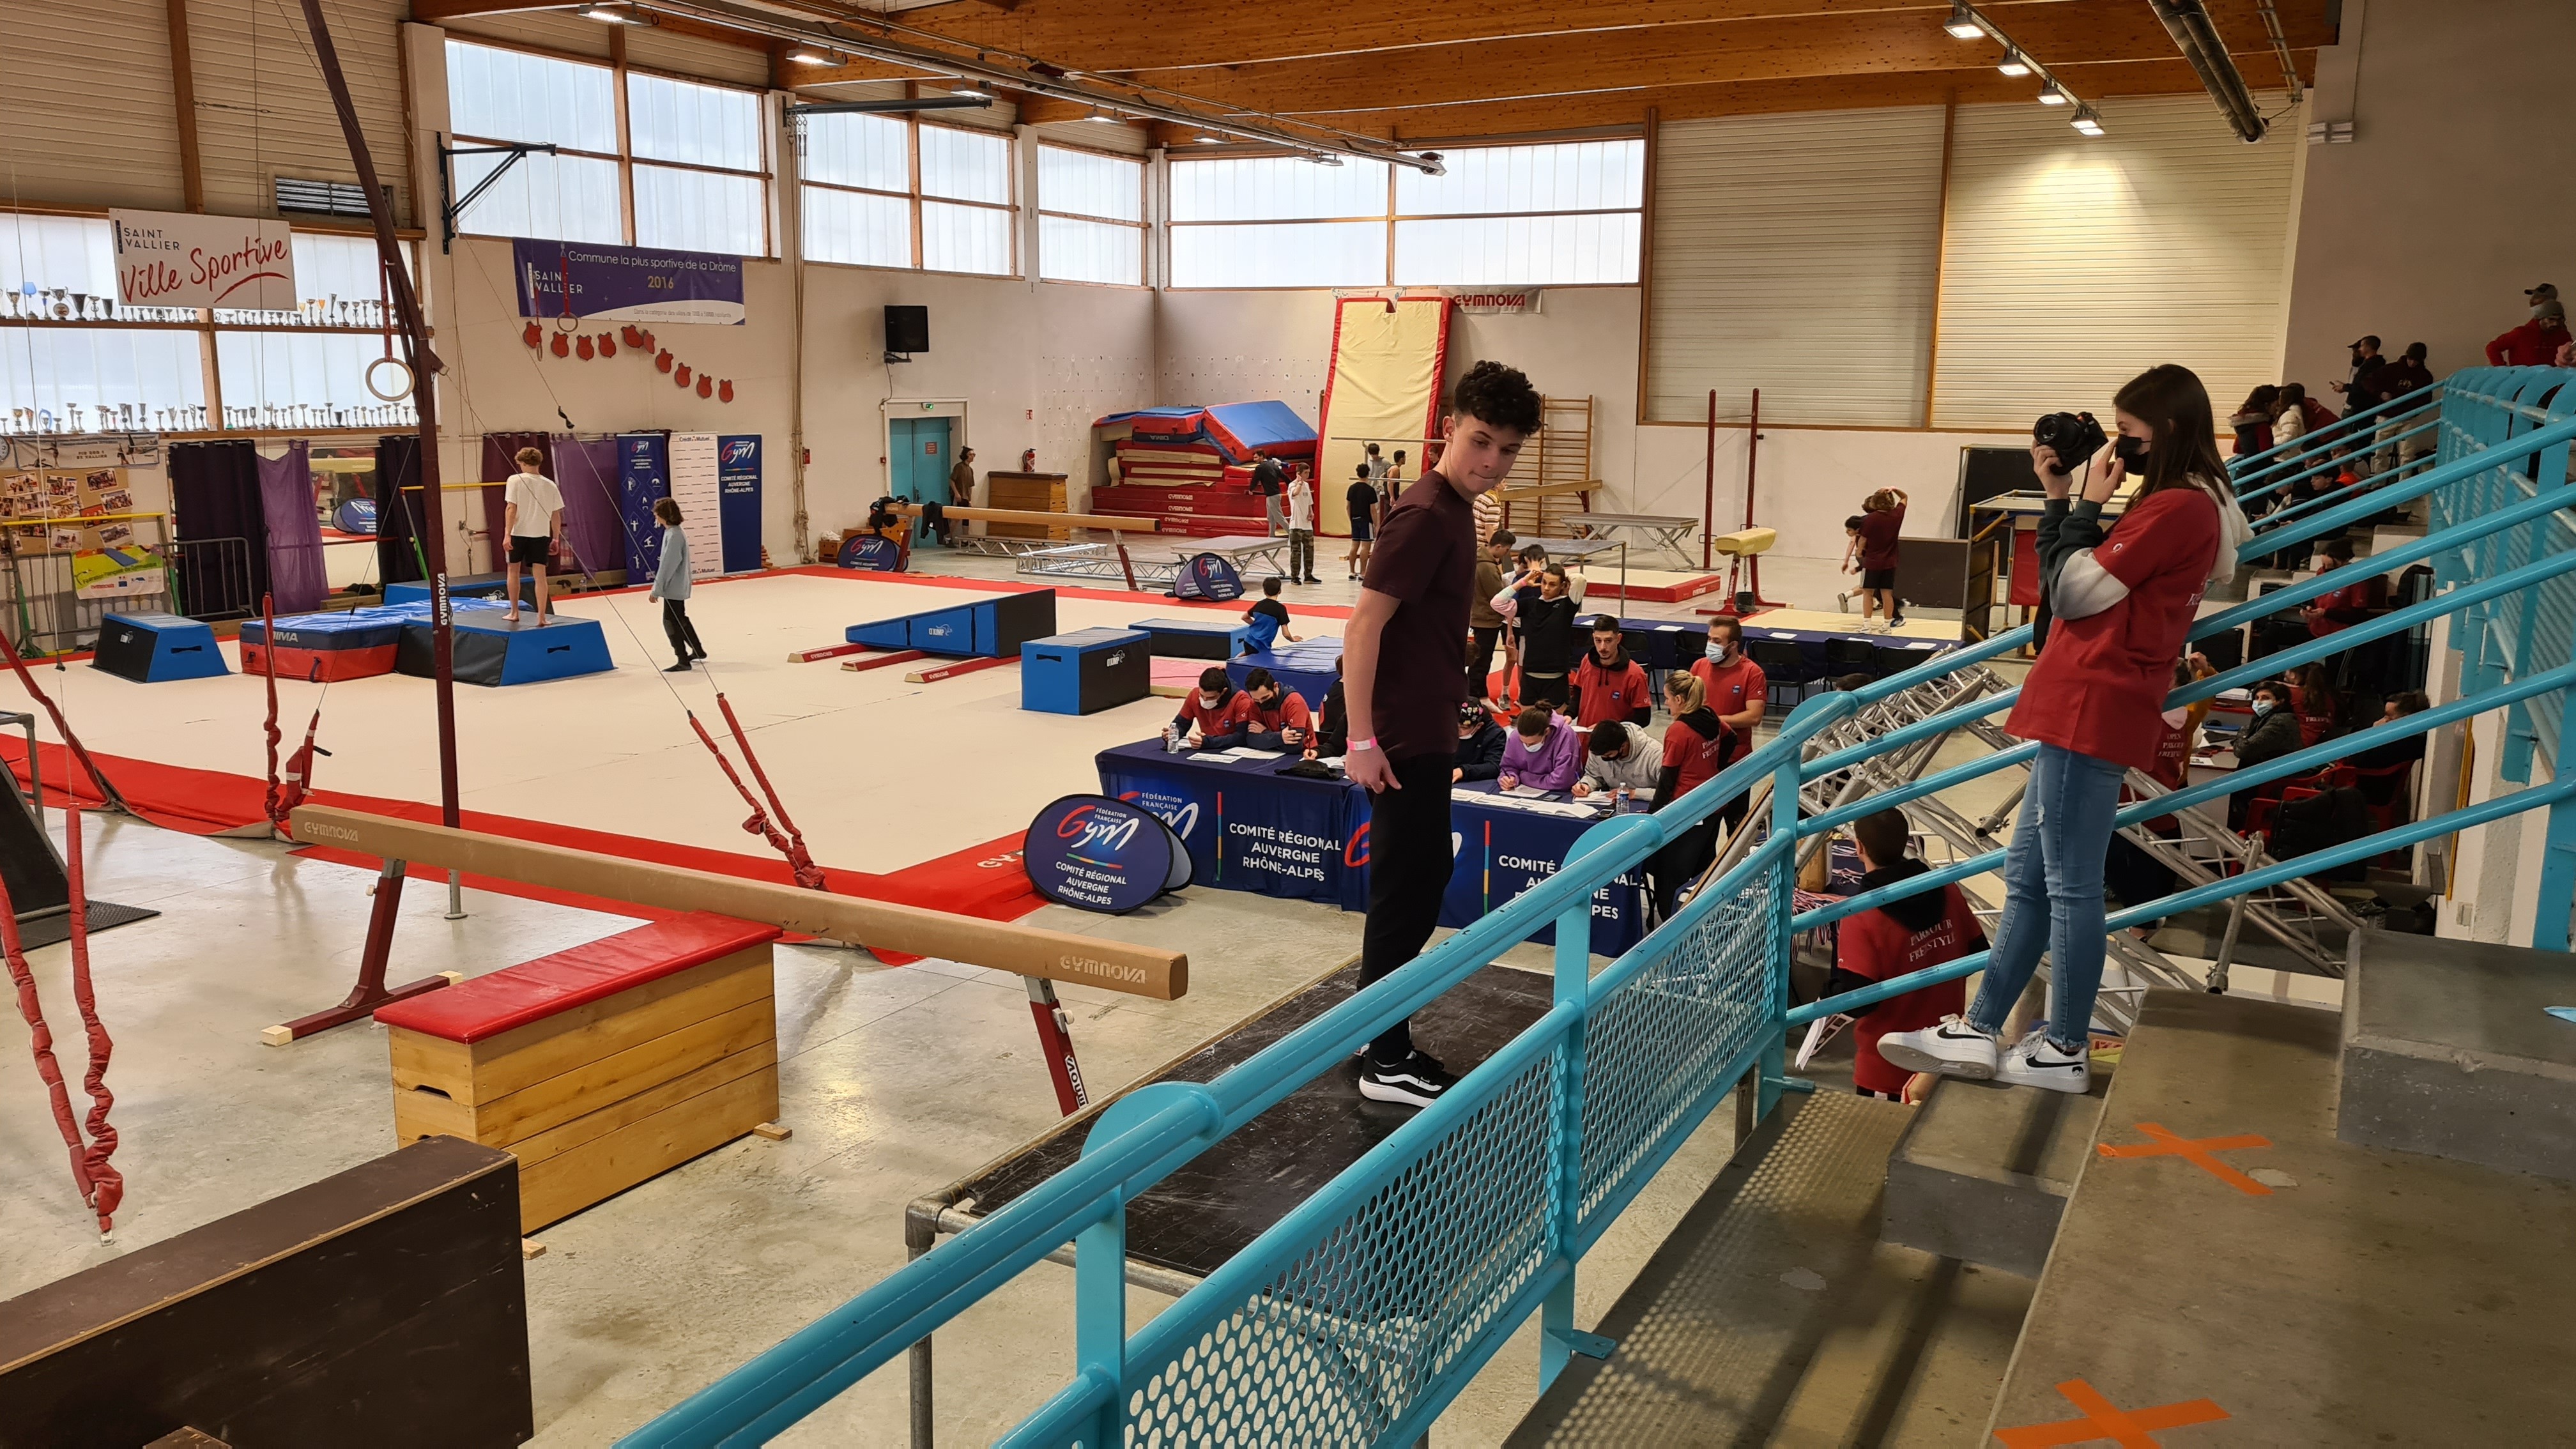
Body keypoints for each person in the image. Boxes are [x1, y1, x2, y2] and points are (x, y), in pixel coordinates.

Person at [1878, 363, 2246, 1096]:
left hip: (2094, 703)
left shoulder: (2179, 508)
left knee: (2071, 887)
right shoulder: (2192, 504)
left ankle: (2064, 1046)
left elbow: (2072, 593)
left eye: (2131, 436)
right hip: (2085, 699)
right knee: (2027, 880)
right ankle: (1982, 1028)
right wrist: (2061, 501)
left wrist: (2081, 507)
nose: (2119, 448)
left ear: (2168, 431)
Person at [1342, 360, 1542, 1107]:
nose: (1491, 462)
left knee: (1416, 886)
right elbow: (1362, 627)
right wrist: (1361, 739)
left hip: (1425, 727)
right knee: (1410, 892)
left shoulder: (1458, 510)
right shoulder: (1427, 513)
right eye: (1481, 441)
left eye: (1508, 451)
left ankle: (1372, 1034)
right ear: (1450, 429)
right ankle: (1384, 1056)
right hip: (1399, 741)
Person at [1837, 808, 1982, 1103]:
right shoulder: (1946, 888)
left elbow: (1856, 1000)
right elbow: (1978, 952)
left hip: (1885, 1065)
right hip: (1941, 1057)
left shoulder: (1862, 915)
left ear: (1859, 848)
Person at [1647, 670, 1733, 920]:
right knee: (1703, 867)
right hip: (1713, 806)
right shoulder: (1712, 718)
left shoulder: (1679, 731)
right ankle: (1706, 919)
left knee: (1669, 876)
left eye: (1668, 698)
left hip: (1686, 811)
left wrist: (1654, 817)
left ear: (1681, 700)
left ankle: (1668, 928)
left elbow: (1667, 779)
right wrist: (1715, 767)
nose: (1666, 704)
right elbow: (1731, 738)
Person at [1687, 615, 1767, 836]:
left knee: (1736, 828)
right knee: (1703, 830)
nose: (1710, 645)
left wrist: (1716, 720)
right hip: (1701, 764)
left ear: (1733, 645)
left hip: (1736, 762)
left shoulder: (1752, 672)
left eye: (1717, 641)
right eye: (1709, 639)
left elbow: (1754, 716)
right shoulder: (1699, 667)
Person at [501, 445, 562, 625]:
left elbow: (511, 508)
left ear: (522, 463)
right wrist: (556, 538)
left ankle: (514, 612)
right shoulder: (550, 484)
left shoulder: (515, 480)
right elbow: (556, 514)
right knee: (540, 576)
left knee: (513, 571)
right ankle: (541, 617)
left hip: (518, 533)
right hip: (541, 534)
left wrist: (507, 534)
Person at [648, 497, 705, 672]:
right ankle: (697, 650)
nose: (656, 518)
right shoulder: (674, 532)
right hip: (676, 586)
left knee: (670, 622)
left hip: (673, 587)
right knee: (680, 619)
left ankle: (682, 659)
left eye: (657, 515)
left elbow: (668, 565)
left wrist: (656, 590)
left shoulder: (674, 535)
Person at [2364, 344, 2437, 474]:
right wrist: (2381, 393)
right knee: (2380, 453)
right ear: (2407, 356)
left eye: (2416, 360)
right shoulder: (2390, 369)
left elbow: (2426, 399)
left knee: (2407, 455)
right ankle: (2378, 484)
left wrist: (2410, 411)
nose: (2413, 363)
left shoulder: (2425, 376)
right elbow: (2368, 381)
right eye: (2411, 359)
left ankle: (2404, 485)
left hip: (2408, 418)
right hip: (2387, 416)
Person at [1514, 565, 1579, 710]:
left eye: (1552, 584)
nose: (1546, 588)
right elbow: (1497, 603)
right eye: (1544, 582)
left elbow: (1580, 580)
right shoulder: (1531, 604)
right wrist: (1522, 582)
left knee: (1556, 729)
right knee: (1528, 728)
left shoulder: (1567, 606)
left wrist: (1565, 579)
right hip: (1530, 675)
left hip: (1556, 678)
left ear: (1562, 585)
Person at [1568, 616, 1652, 728]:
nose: (1603, 647)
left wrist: (1609, 728)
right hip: (1585, 739)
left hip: (1615, 743)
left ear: (1618, 639)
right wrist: (1570, 714)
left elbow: (1643, 718)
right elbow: (1578, 691)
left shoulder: (1635, 674)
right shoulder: (1587, 661)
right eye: (1598, 640)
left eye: (1608, 641)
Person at [1467, 528, 1514, 702]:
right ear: (1499, 546)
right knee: (1482, 661)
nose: (1507, 554)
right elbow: (1497, 595)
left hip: (1480, 615)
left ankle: (1480, 693)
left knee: (1482, 659)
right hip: (1487, 619)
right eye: (1507, 550)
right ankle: (1474, 695)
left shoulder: (1480, 558)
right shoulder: (1487, 567)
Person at [1498, 705, 1583, 793]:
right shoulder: (1516, 735)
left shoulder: (1565, 735)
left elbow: (1562, 781)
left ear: (1547, 732)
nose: (1528, 746)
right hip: (1525, 790)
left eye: (1532, 743)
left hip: (1561, 793)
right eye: (1523, 742)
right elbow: (1508, 767)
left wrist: (1523, 777)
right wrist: (1509, 779)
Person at [1574, 719, 1660, 802]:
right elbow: (1593, 776)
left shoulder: (1655, 754)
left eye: (1609, 755)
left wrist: (1635, 793)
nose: (1604, 758)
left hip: (1648, 806)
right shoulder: (1598, 750)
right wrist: (1585, 785)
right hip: (1615, 804)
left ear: (1623, 746)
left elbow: (1668, 791)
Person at [1855, 487, 1907, 626]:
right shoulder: (1897, 515)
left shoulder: (1870, 519)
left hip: (1872, 561)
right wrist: (1894, 489)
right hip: (1890, 562)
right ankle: (1887, 624)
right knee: (1886, 593)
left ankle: (1867, 625)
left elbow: (1863, 539)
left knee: (1868, 593)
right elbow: (1904, 498)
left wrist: (1859, 552)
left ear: (1875, 504)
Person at [1168, 667, 1254, 751]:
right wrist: (1173, 734)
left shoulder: (1241, 700)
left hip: (1232, 749)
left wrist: (1210, 742)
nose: (1204, 700)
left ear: (1223, 692)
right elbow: (1181, 723)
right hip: (1207, 747)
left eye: (1210, 698)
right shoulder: (1194, 694)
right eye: (1202, 695)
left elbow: (1242, 737)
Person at [1240, 668, 1313, 751]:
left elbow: (1295, 747)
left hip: (1304, 755)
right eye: (1257, 700)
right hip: (1271, 755)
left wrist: (1265, 733)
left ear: (1275, 686)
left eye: (1265, 698)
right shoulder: (1254, 704)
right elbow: (1251, 740)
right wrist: (1280, 738)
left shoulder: (1294, 702)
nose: (1261, 703)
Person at [2487, 297, 2571, 367]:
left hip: (2553, 382)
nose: (2555, 323)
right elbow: (2492, 348)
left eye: (2559, 319)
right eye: (2551, 319)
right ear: (2540, 319)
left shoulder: (2563, 336)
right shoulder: (2521, 334)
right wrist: (2503, 370)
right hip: (2523, 383)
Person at [2329, 336, 2384, 417]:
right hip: (2361, 406)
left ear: (2368, 347)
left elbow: (2362, 386)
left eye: (2362, 346)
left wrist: (2345, 387)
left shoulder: (2371, 365)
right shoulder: (2373, 364)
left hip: (2361, 407)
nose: (2359, 349)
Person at [1452, 699, 1505, 782]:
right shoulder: (1445, 725)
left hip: (1473, 780)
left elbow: (1494, 766)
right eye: (1454, 725)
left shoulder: (1494, 734)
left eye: (1463, 728)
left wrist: (1463, 771)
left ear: (1479, 726)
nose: (1456, 731)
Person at [1241, 576, 1298, 654]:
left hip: (1248, 641)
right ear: (1280, 591)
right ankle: (1231, 664)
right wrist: (1293, 639)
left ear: (1264, 592)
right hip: (1261, 646)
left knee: (1248, 654)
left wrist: (1256, 624)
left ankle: (1232, 662)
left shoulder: (1259, 604)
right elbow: (1286, 634)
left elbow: (1245, 617)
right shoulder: (1280, 609)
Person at [1346, 463, 1381, 580]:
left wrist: (1351, 519)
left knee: (1354, 545)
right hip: (1366, 521)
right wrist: (1376, 524)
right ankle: (1363, 572)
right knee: (1366, 547)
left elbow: (1348, 507)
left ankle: (1351, 571)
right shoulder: (1370, 490)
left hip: (1355, 519)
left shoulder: (1352, 488)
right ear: (1368, 474)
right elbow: (1373, 510)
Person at [1285, 464, 1319, 584]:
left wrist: (1311, 512)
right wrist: (1299, 482)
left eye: (1309, 473)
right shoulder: (1292, 485)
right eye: (1305, 473)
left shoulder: (1307, 485)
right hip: (1296, 525)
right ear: (1299, 473)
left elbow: (1309, 501)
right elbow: (1295, 494)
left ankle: (1308, 575)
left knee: (1309, 550)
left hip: (1307, 524)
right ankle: (1295, 577)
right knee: (1296, 552)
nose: (1308, 475)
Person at [2228, 385, 2280, 458]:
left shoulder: (2243, 422)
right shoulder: (2262, 426)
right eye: (2276, 404)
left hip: (2247, 465)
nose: (2277, 408)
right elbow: (2266, 451)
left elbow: (2237, 448)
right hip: (2260, 466)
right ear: (2267, 405)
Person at [942, 446, 976, 546]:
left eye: (974, 455)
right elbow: (952, 480)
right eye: (971, 454)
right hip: (958, 496)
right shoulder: (959, 467)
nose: (973, 456)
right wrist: (956, 493)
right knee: (955, 518)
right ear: (965, 456)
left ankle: (966, 539)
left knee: (966, 518)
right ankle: (948, 538)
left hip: (965, 497)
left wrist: (970, 500)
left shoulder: (970, 470)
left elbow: (970, 486)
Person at [1250, 453, 1287, 535]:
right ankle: (1271, 536)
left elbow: (1255, 479)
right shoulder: (1273, 465)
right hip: (1275, 494)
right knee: (1271, 518)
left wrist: (1251, 489)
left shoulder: (1260, 467)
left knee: (1279, 517)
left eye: (1256, 457)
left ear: (1262, 457)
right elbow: (1284, 476)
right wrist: (1290, 484)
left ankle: (1293, 534)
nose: (1254, 460)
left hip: (1272, 495)